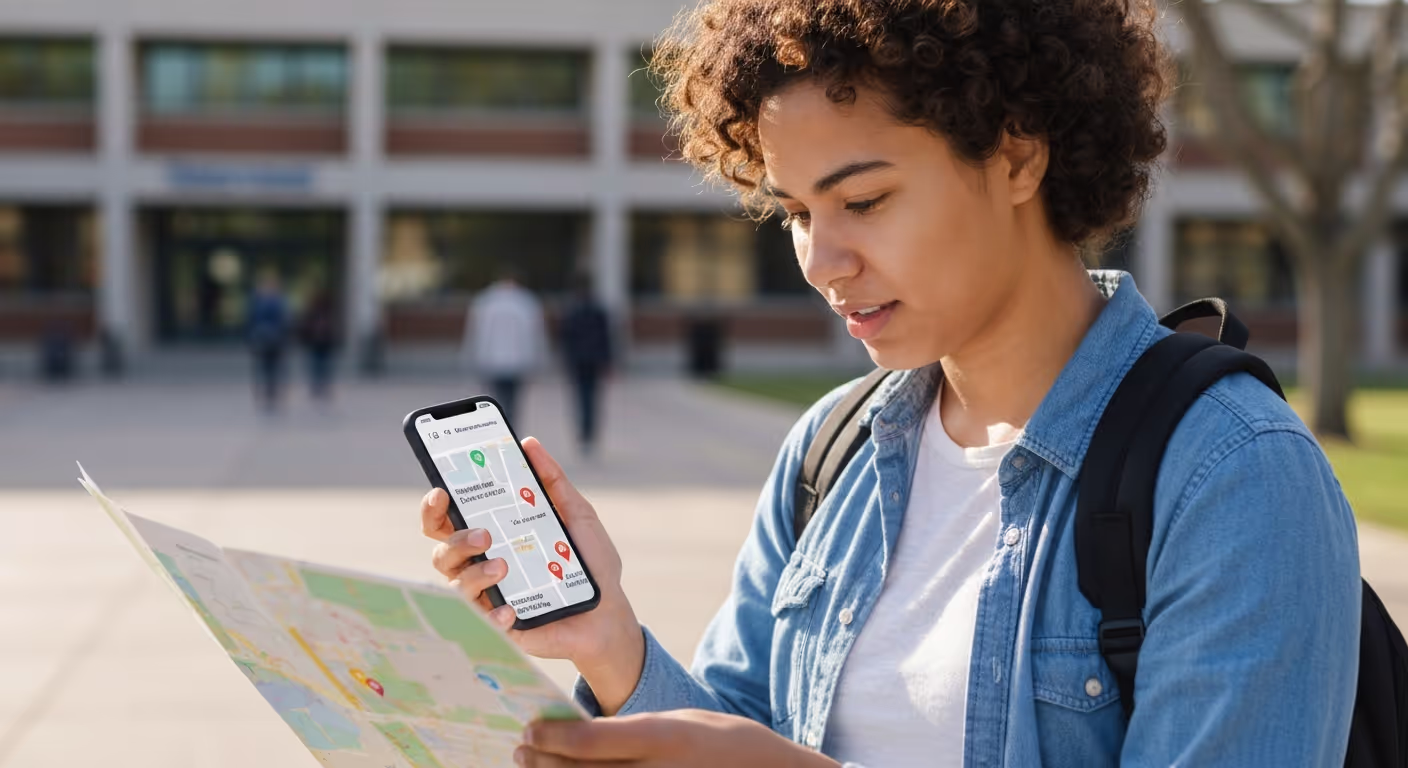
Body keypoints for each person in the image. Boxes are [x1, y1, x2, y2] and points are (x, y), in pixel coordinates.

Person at [420, 0, 1362, 765]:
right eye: (794, 212)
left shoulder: (1234, 474)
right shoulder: (834, 447)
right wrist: (608, 643)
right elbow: (729, 736)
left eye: (863, 201)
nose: (822, 261)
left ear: (1018, 156)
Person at [464, 268, 546, 425]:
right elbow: (535, 335)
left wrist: (475, 357)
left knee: (494, 400)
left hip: (493, 361)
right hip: (518, 361)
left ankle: (501, 427)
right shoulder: (526, 302)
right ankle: (510, 427)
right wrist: (537, 359)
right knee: (512, 401)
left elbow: (478, 334)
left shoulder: (486, 301)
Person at [559, 276, 613, 456]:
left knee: (582, 397)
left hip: (579, 360)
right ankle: (588, 432)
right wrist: (607, 360)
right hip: (593, 360)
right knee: (591, 397)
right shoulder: (597, 311)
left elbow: (565, 339)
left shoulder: (572, 311)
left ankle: (585, 432)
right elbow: (606, 338)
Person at [247, 271, 290, 413]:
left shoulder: (277, 300)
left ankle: (271, 390)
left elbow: (283, 320)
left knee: (273, 366)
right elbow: (251, 319)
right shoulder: (259, 300)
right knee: (264, 366)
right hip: (263, 338)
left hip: (273, 339)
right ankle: (267, 390)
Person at [298, 288, 340, 403]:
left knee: (319, 365)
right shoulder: (319, 312)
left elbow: (305, 326)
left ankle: (319, 386)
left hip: (322, 343)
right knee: (320, 365)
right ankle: (320, 386)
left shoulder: (318, 312)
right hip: (318, 343)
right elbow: (305, 327)